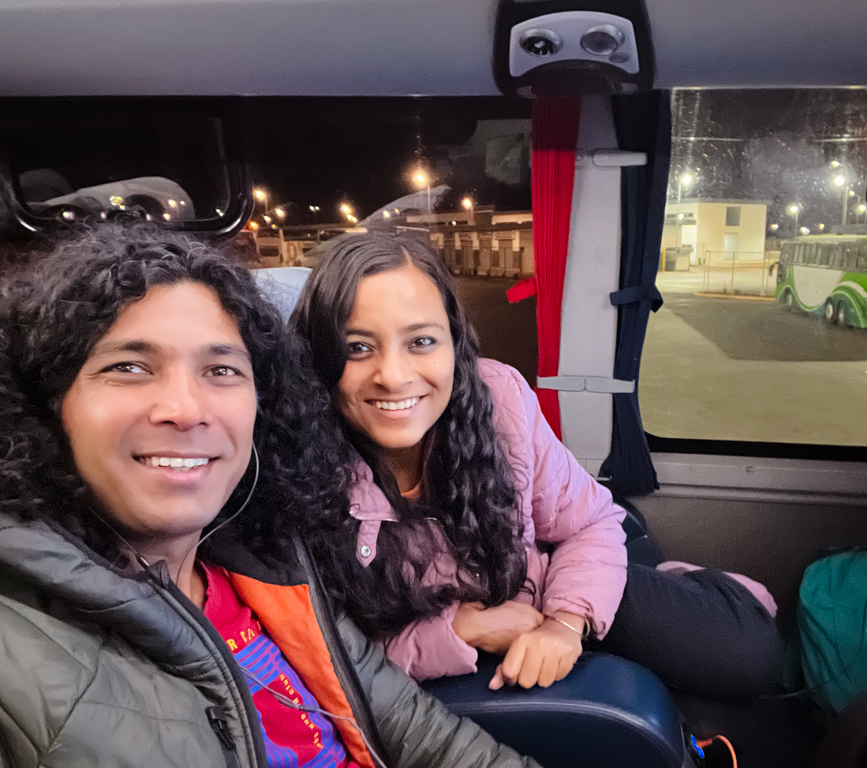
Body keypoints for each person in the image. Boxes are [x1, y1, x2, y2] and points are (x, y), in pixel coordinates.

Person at [0, 225, 540, 768]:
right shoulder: (19, 651)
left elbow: (426, 738)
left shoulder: (266, 563)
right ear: (47, 404)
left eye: (221, 370)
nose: (186, 409)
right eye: (130, 367)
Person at [290, 231, 784, 698]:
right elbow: (321, 655)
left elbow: (590, 520)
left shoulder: (496, 400)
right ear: (318, 359)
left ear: (454, 345)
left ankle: (681, 581)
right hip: (488, 629)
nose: (394, 376)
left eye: (421, 342)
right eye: (358, 348)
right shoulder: (296, 476)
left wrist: (566, 623)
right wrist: (457, 631)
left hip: (550, 580)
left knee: (751, 651)